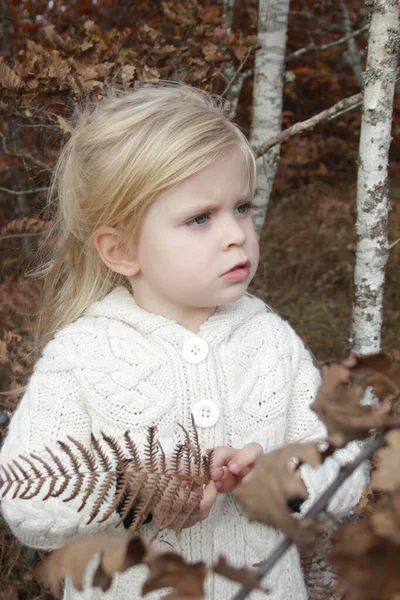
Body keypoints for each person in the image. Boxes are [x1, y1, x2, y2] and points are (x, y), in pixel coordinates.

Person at [0, 82, 367, 600]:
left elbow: (345, 473)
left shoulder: (270, 341)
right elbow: (23, 497)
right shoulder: (81, 356)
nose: (236, 233)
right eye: (200, 218)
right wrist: (132, 495)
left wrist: (283, 477)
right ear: (122, 249)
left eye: (241, 207)